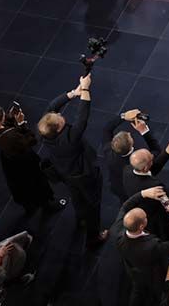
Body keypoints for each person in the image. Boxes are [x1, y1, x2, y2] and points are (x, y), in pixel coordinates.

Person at [39, 72, 108, 247]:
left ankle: (80, 218)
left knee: (77, 197)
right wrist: (85, 89)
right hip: (84, 174)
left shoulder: (45, 131)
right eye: (60, 118)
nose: (62, 116)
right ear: (59, 127)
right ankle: (94, 236)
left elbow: (52, 106)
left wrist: (73, 93)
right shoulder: (70, 139)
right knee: (93, 203)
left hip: (65, 173)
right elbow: (82, 118)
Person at [0, 104, 60, 214]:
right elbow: (31, 140)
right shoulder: (10, 137)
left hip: (10, 162)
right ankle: (47, 206)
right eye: (4, 116)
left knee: (22, 186)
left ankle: (30, 207)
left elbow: (6, 126)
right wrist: (21, 123)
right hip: (24, 161)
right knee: (36, 182)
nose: (6, 117)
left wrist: (11, 116)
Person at [115, 187, 169, 306]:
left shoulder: (118, 230)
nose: (147, 218)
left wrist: (143, 193)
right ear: (141, 226)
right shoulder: (152, 246)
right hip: (152, 274)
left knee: (137, 290)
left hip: (133, 269)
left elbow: (125, 206)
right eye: (145, 217)